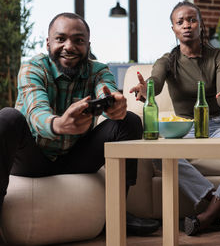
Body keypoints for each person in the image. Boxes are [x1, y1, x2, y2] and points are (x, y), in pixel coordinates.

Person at [0, 13, 159, 236]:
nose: (69, 46)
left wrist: (115, 104)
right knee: (7, 117)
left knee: (129, 121)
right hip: (33, 158)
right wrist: (59, 124)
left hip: (75, 156)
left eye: (78, 40)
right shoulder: (33, 68)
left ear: (88, 44)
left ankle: (118, 213)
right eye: (60, 39)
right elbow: (37, 112)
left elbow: (108, 88)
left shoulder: (98, 69)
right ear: (48, 42)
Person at [130, 1, 220, 235]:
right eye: (180, 22)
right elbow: (155, 83)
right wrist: (145, 87)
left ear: (200, 24)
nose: (187, 25)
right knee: (157, 153)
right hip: (183, 129)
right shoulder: (167, 61)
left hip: (217, 125)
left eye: (192, 20)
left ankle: (208, 215)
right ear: (174, 29)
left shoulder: (218, 56)